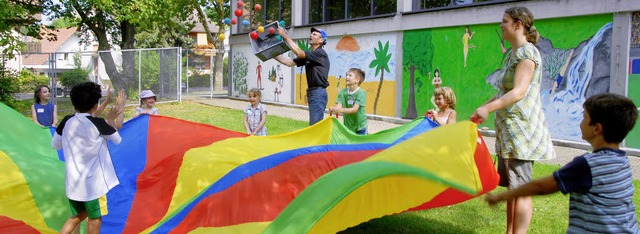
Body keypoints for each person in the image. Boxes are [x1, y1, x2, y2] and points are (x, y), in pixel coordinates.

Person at [486, 93, 639, 233]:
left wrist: (501, 197)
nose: (580, 122)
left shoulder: (586, 166)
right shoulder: (622, 161)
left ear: (597, 129)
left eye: (584, 118)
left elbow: (541, 187)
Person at [470, 7, 555, 234]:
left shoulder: (527, 54)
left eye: (505, 21)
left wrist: (488, 108)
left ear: (518, 25)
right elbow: (503, 92)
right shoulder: (514, 54)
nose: (501, 25)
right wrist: (485, 107)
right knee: (512, 188)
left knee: (522, 189)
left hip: (521, 134)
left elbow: (518, 92)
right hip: (510, 135)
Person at [52, 82, 126, 234]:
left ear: (74, 103)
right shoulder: (97, 123)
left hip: (73, 182)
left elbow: (56, 145)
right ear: (95, 104)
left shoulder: (66, 121)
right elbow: (117, 139)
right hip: (94, 185)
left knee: (77, 216)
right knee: (94, 218)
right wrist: (111, 120)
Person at [275, 26, 330, 126]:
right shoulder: (310, 55)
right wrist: (270, 53)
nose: (311, 35)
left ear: (321, 40)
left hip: (318, 93)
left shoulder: (320, 53)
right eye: (311, 33)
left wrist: (285, 36)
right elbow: (288, 62)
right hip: (314, 92)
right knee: (314, 125)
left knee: (315, 127)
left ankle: (318, 142)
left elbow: (300, 53)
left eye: (314, 34)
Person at [329, 68, 367, 135]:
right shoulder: (343, 92)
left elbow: (354, 109)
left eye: (350, 75)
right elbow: (338, 107)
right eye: (347, 75)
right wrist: (334, 109)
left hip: (360, 127)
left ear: (357, 80)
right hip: (348, 127)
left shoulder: (361, 93)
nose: (347, 77)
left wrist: (339, 109)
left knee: (359, 145)